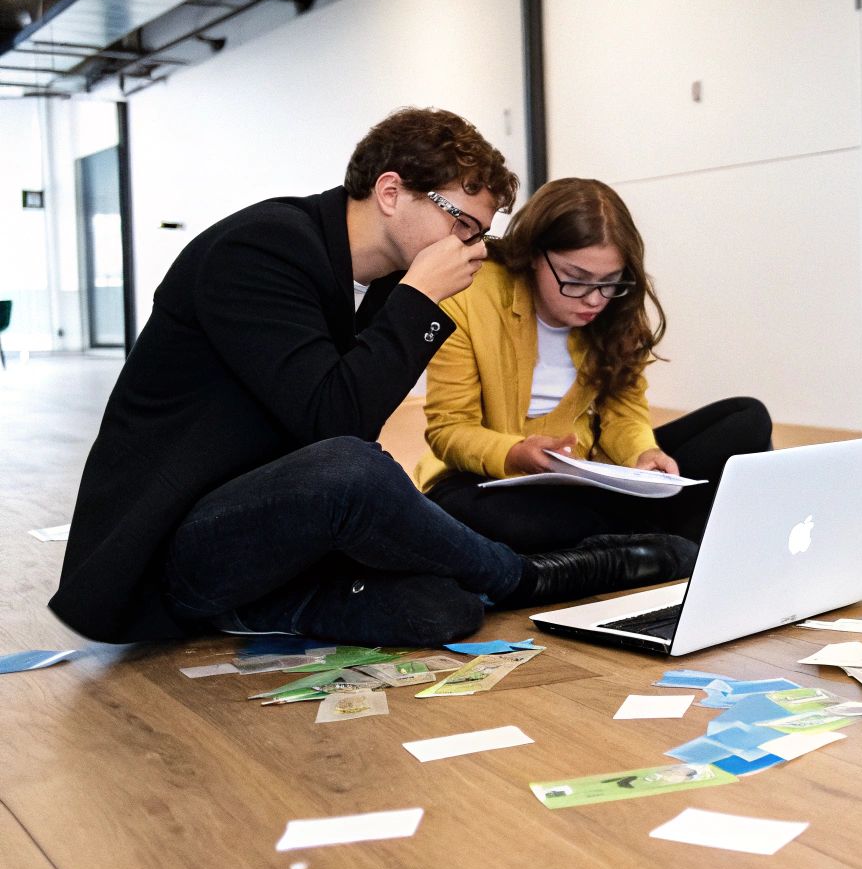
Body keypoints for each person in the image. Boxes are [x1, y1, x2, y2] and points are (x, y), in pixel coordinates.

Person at [49, 108, 694, 648]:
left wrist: (409, 298)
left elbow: (344, 421)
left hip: (278, 534)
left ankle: (247, 614)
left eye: (480, 231)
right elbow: (335, 425)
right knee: (352, 469)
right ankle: (531, 578)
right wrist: (419, 299)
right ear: (391, 193)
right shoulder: (259, 250)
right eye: (461, 222)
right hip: (175, 546)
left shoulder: (383, 288)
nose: (471, 245)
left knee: (445, 609)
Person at [414, 177, 771, 550]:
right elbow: (450, 430)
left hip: (588, 479)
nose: (594, 299)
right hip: (490, 480)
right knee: (478, 516)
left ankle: (632, 541)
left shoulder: (617, 307)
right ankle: (664, 538)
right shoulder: (469, 292)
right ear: (536, 254)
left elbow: (624, 413)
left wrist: (643, 454)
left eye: (609, 281)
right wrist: (518, 452)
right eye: (576, 280)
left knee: (746, 419)